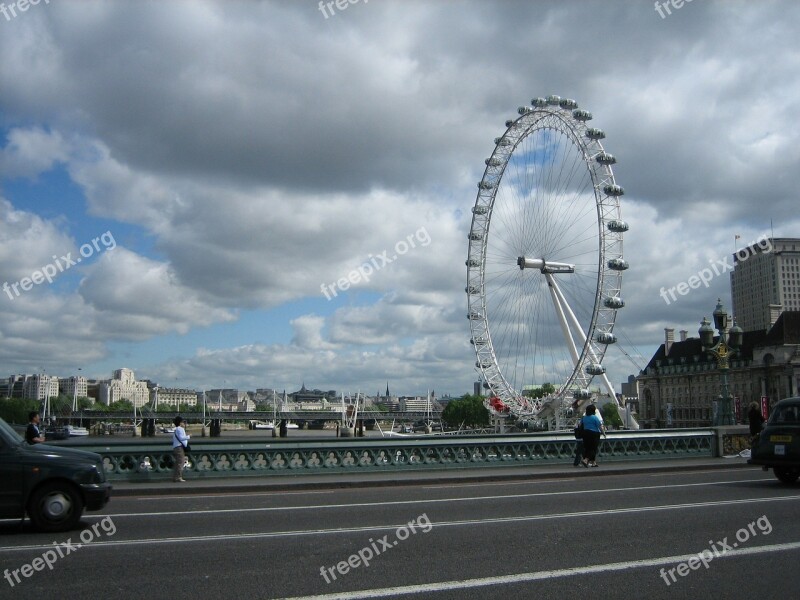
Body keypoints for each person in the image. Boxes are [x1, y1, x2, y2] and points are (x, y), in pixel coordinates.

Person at [172, 416, 190, 482]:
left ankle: (176, 477)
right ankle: (178, 477)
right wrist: (188, 436)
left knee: (177, 463)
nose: (184, 423)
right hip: (179, 448)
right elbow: (181, 438)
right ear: (180, 423)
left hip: (176, 447)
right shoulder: (180, 429)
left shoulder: (176, 429)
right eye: (183, 422)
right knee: (181, 462)